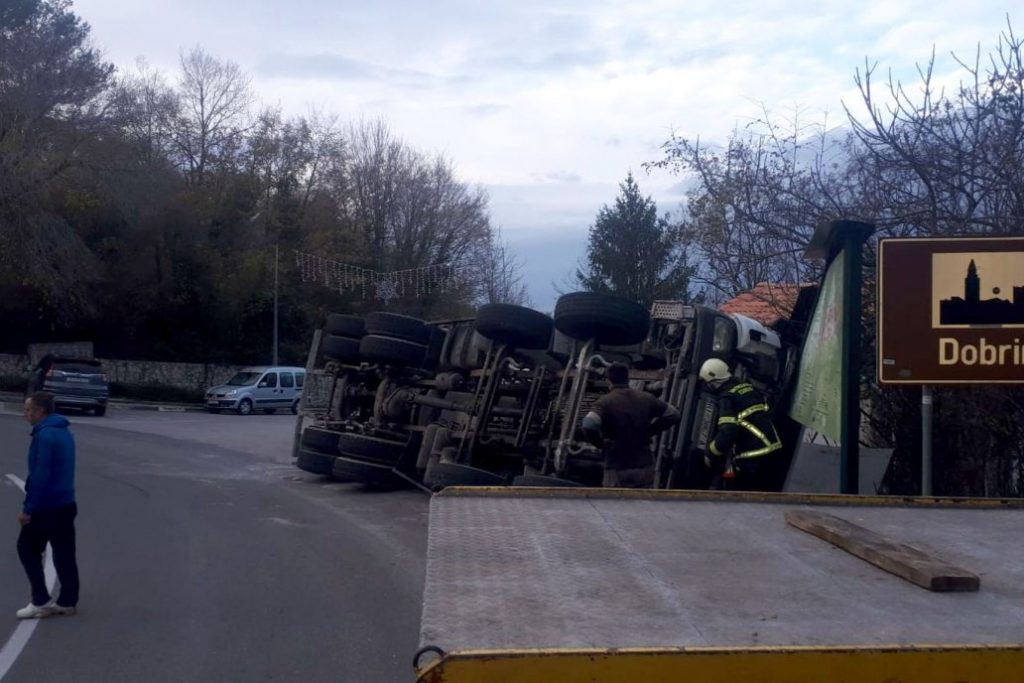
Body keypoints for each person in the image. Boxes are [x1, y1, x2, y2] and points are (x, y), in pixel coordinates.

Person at [15, 391, 79, 619]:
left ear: (40, 411)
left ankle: (41, 600)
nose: (26, 414)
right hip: (66, 503)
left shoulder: (44, 436)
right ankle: (68, 601)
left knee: (27, 548)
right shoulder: (64, 432)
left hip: (46, 507)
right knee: (64, 552)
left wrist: (27, 509)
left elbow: (39, 476)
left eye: (28, 410)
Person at [581, 362, 680, 488]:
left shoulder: (604, 402)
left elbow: (589, 425)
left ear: (608, 381)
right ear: (627, 378)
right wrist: (650, 431)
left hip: (617, 466)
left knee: (614, 505)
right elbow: (674, 415)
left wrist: (600, 443)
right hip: (645, 465)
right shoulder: (646, 398)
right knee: (642, 505)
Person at [699, 358, 783, 492]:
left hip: (753, 455)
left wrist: (710, 453)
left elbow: (728, 430)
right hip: (773, 448)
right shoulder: (748, 387)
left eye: (706, 382)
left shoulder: (727, 398)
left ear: (713, 382)